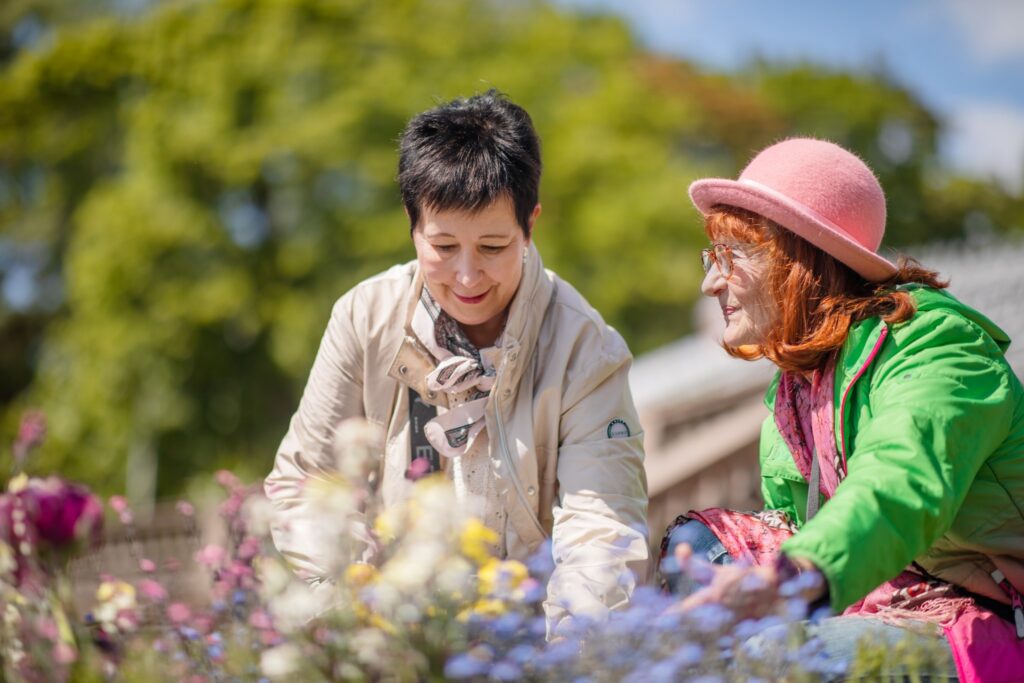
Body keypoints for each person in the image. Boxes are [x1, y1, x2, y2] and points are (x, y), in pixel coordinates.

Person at [264, 90, 648, 637]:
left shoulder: (586, 349)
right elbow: (305, 482)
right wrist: (347, 597)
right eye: (443, 247)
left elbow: (602, 531)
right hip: (386, 635)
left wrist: (569, 659)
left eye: (493, 247)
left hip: (528, 639)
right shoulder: (364, 317)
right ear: (411, 223)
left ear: (531, 225)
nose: (467, 278)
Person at [662, 137, 1024, 681]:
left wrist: (800, 572)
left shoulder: (937, 347)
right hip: (887, 590)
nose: (711, 282)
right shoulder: (797, 389)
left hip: (996, 618)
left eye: (729, 258)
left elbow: (898, 481)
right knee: (698, 549)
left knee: (782, 656)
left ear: (798, 256)